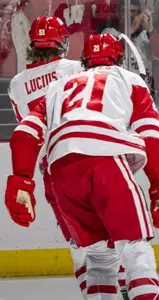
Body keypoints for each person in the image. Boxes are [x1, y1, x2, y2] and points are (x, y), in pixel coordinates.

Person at [4, 33, 159, 300]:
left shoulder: (56, 86)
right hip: (105, 163)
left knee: (98, 258)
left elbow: (25, 134)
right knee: (134, 250)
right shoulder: (127, 78)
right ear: (118, 58)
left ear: (83, 59)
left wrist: (21, 181)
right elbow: (152, 137)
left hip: (60, 172)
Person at [6, 15, 93, 299]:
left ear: (32, 45)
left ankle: (94, 294)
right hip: (88, 158)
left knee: (77, 242)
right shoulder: (76, 68)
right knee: (111, 233)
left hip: (53, 172)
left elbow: (29, 130)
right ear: (61, 43)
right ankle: (126, 287)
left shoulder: (16, 84)